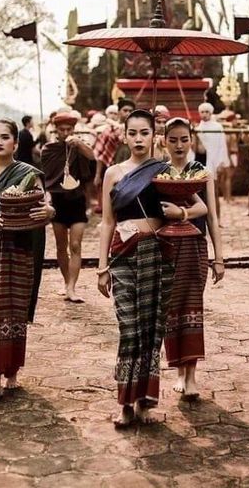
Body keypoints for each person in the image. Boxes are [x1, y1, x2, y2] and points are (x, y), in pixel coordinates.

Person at [97, 109, 173, 427]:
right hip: (123, 255)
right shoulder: (113, 173)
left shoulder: (164, 171)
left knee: (152, 328)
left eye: (145, 133)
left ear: (154, 136)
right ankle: (124, 402)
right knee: (128, 328)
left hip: (157, 254)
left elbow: (192, 207)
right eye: (133, 133)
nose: (139, 139)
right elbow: (106, 222)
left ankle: (144, 401)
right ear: (124, 136)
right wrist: (102, 267)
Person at [0, 119, 54, 401]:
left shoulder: (28, 173)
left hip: (21, 247)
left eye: (5, 137)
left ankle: (12, 374)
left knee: (15, 310)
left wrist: (49, 213)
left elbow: (45, 205)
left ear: (16, 143)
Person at [163, 117, 224, 399]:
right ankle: (178, 371)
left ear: (191, 140)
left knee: (192, 309)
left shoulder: (200, 171)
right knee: (171, 311)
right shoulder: (158, 172)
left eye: (184, 139)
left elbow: (211, 215)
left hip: (195, 247)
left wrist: (219, 257)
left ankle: (191, 375)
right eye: (173, 139)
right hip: (165, 248)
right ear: (164, 141)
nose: (179, 145)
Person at [41, 111, 94, 302]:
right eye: (62, 129)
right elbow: (45, 174)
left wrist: (79, 144)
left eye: (69, 129)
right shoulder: (49, 149)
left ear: (74, 129)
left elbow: (92, 156)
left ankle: (72, 287)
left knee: (76, 245)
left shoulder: (80, 147)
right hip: (58, 201)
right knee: (61, 245)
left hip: (77, 200)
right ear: (56, 130)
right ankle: (66, 282)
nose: (65, 132)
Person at [93, 99, 135, 210]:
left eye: (131, 111)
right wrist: (97, 175)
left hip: (133, 170)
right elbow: (101, 154)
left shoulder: (136, 131)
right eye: (125, 110)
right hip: (114, 169)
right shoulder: (109, 130)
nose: (127, 113)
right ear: (119, 111)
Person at [196, 102, 230, 219]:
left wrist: (221, 162)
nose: (204, 114)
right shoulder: (198, 128)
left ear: (210, 113)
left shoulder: (217, 127)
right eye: (202, 112)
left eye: (207, 112)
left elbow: (222, 146)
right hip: (201, 162)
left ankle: (217, 218)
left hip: (213, 162)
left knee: (214, 193)